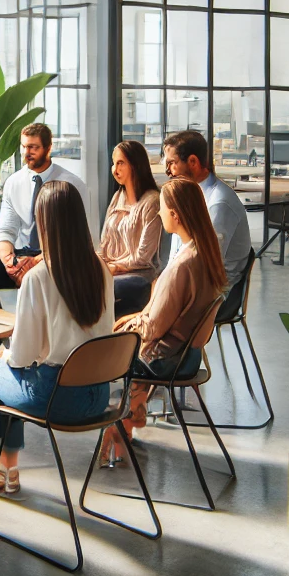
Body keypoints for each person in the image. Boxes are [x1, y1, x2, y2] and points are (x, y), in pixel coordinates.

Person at [0, 181, 114, 496]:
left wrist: (5, 356)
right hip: (98, 395)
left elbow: (22, 357)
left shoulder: (39, 277)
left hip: (59, 399)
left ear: (44, 223)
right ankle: (4, 468)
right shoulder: (101, 270)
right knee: (13, 375)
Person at [99, 176, 227, 465]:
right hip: (188, 357)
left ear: (176, 215)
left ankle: (121, 420)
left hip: (164, 359)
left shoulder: (182, 265)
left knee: (100, 350)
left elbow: (154, 328)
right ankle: (130, 416)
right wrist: (136, 318)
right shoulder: (206, 254)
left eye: (162, 208)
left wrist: (123, 325)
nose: (158, 213)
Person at [0, 123, 90, 359]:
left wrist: (37, 261)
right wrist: (9, 261)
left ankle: (37, 350)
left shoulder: (71, 184)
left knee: (37, 278)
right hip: (23, 254)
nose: (27, 153)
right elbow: (5, 230)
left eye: (33, 147)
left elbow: (78, 237)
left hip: (59, 255)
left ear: (48, 148)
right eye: (24, 147)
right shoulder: (14, 182)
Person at [161, 129, 251, 291]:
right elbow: (178, 254)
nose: (168, 172)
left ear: (193, 162)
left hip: (212, 292)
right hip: (189, 280)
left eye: (172, 163)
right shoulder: (189, 194)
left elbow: (204, 263)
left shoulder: (219, 203)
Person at [99, 140, 163, 319]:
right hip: (112, 270)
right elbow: (104, 241)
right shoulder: (118, 197)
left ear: (135, 165)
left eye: (120, 163)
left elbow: (143, 257)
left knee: (96, 290)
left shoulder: (152, 201)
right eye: (114, 163)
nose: (114, 169)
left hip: (139, 275)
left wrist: (114, 267)